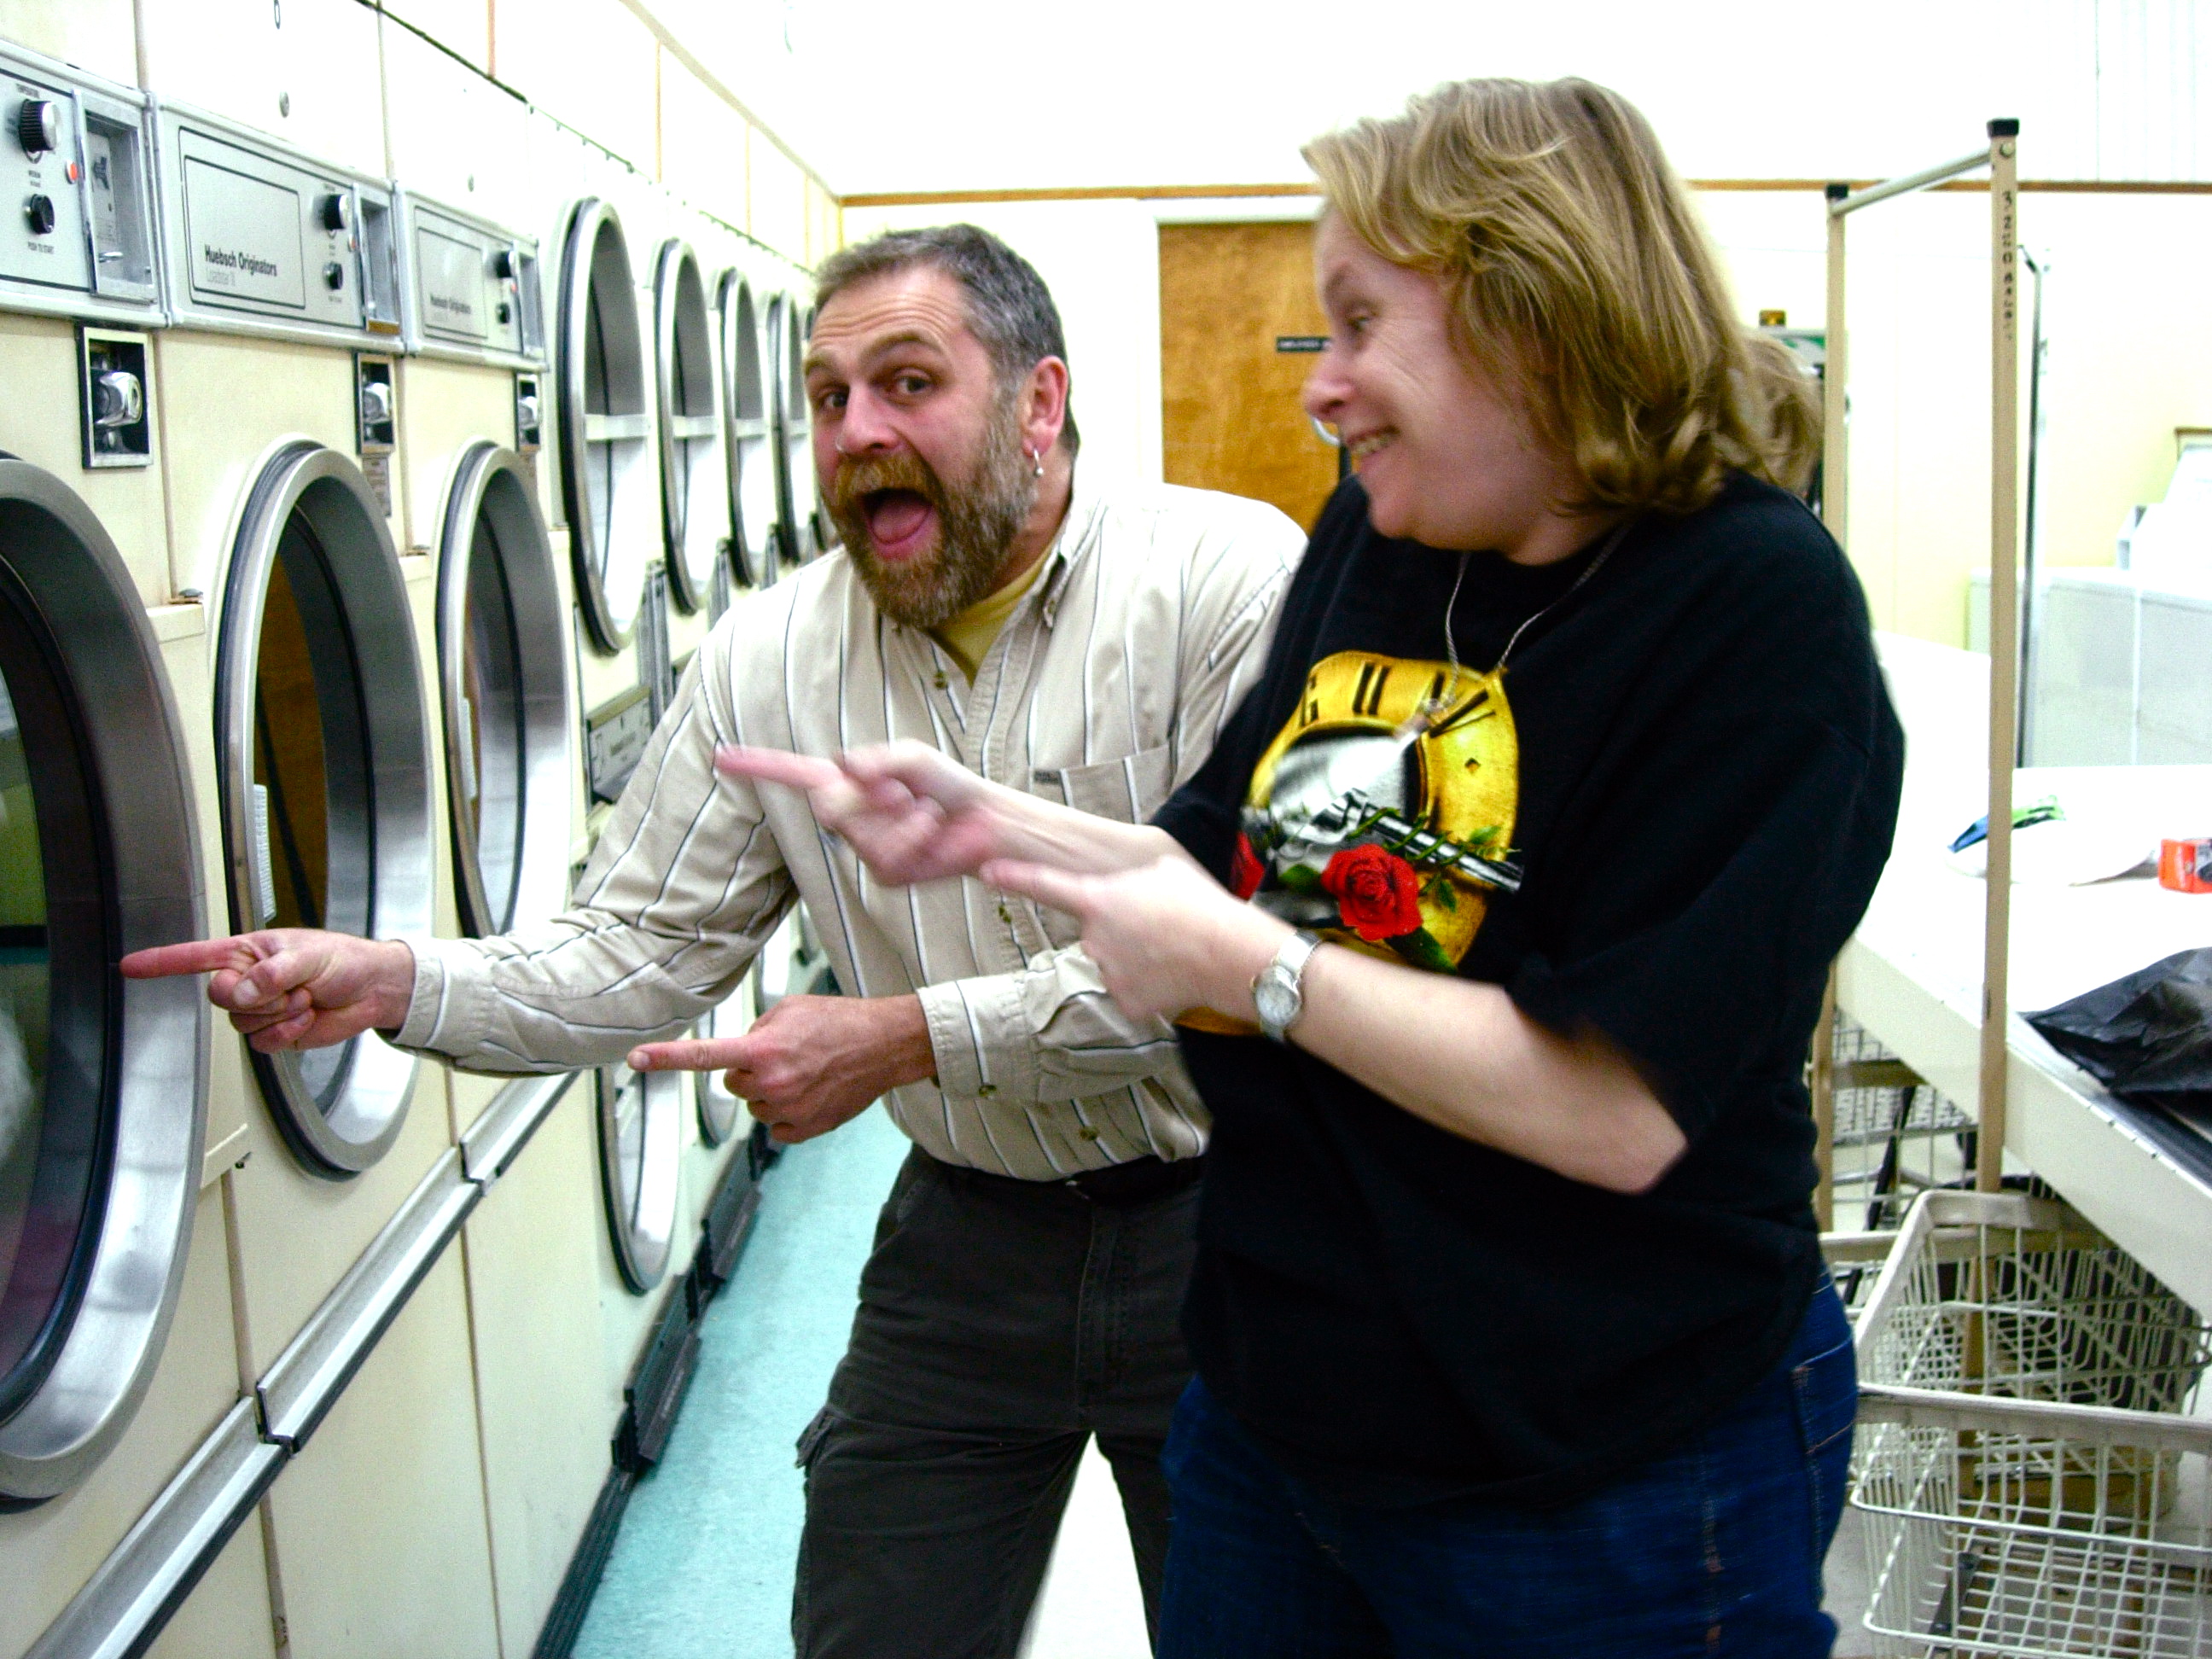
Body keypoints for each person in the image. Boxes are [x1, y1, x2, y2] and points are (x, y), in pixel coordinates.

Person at [722, 79, 1904, 1658]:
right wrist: (999, 827)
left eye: (1359, 324)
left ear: (1533, 315)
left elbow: (1615, 1110)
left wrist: (1252, 974)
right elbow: (1232, 859)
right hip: (1282, 1402)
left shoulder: (1754, 613)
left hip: (1598, 1454)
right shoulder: (1388, 534)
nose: (1321, 384)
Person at [122, 225, 1304, 1658]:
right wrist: (396, 979)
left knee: (1265, 1631)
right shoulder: (772, 657)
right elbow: (636, 947)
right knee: (876, 1630)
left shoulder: (1224, 582)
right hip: (969, 1237)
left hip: (1234, 1224)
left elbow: (1250, 957)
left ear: (1038, 403)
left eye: (909, 383)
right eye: (827, 399)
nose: (857, 435)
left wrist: (906, 1040)